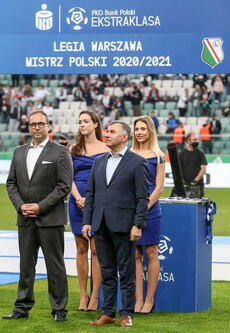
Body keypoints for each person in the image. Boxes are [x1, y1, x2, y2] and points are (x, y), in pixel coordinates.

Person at [4, 110, 72, 322]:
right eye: (33, 124)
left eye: (40, 124)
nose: (36, 127)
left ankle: (59, 309)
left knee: (55, 266)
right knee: (25, 265)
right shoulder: (19, 152)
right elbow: (11, 184)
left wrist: (40, 207)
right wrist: (21, 206)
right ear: (28, 127)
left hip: (50, 219)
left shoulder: (60, 152)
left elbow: (64, 186)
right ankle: (22, 307)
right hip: (24, 218)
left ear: (48, 125)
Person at [82, 121, 149, 328]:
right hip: (100, 225)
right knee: (107, 271)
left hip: (124, 225)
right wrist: (87, 221)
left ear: (124, 137)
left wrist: (138, 224)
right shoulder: (99, 162)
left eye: (112, 132)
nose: (107, 134)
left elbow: (142, 198)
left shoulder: (137, 162)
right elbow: (91, 194)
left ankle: (127, 313)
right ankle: (108, 312)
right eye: (107, 131)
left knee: (126, 272)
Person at [69, 110, 109, 312]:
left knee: (96, 250)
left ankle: (95, 296)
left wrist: (91, 200)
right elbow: (68, 178)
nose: (82, 125)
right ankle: (83, 295)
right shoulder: (73, 148)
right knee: (81, 248)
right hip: (76, 202)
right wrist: (78, 198)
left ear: (95, 124)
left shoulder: (106, 148)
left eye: (86, 121)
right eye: (80, 122)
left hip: (98, 203)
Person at [131, 117, 165, 315]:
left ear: (150, 131)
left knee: (151, 252)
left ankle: (149, 300)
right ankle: (138, 299)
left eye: (143, 128)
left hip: (150, 210)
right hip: (131, 210)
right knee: (135, 254)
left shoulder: (158, 156)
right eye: (137, 129)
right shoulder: (129, 154)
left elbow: (159, 187)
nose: (139, 132)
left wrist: (143, 208)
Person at [179, 133, 208, 198]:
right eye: (194, 140)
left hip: (197, 186)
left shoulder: (200, 154)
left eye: (197, 140)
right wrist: (182, 181)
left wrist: (195, 180)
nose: (196, 141)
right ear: (188, 141)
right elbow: (178, 170)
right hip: (184, 186)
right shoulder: (181, 154)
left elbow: (203, 169)